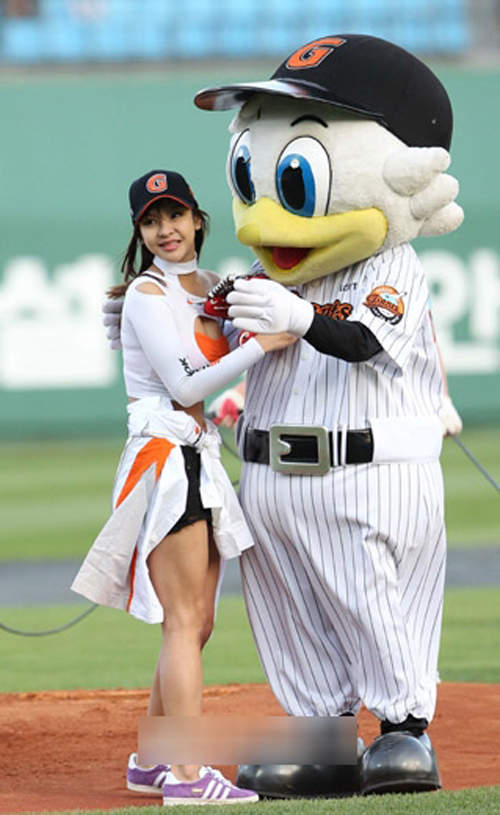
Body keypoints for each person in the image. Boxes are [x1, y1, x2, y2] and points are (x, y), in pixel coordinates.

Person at [71, 168, 296, 806]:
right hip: (164, 456)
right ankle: (189, 776)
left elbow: (222, 356)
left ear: (198, 218)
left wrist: (254, 320)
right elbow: (185, 386)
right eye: (150, 220)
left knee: (197, 625)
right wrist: (262, 345)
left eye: (174, 215)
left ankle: (153, 761)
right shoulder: (147, 293)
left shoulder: (213, 287)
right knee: (183, 620)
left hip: (196, 455)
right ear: (139, 232)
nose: (164, 229)